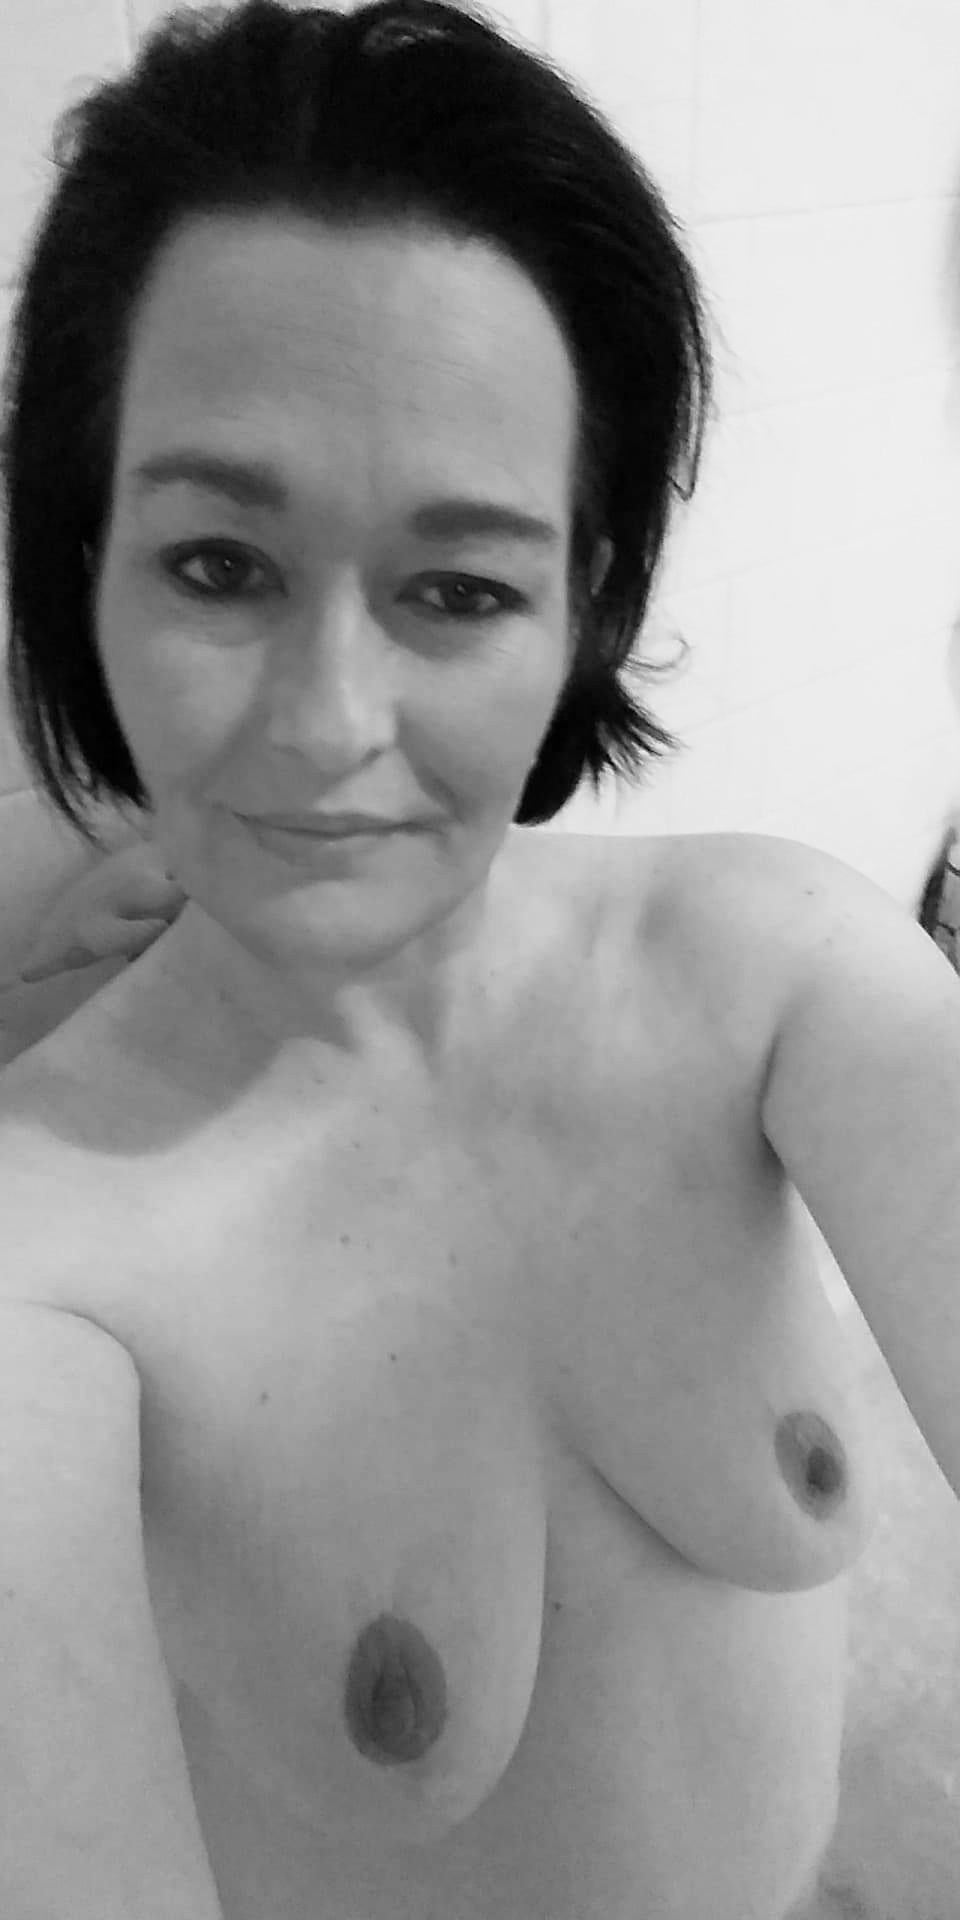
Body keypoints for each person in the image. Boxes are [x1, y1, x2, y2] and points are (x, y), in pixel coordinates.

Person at [0, 3, 958, 1917]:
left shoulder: (772, 970)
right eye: (219, 566)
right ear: (82, 563)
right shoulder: (48, 1278)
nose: (326, 725)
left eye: (456, 589)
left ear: (582, 604)